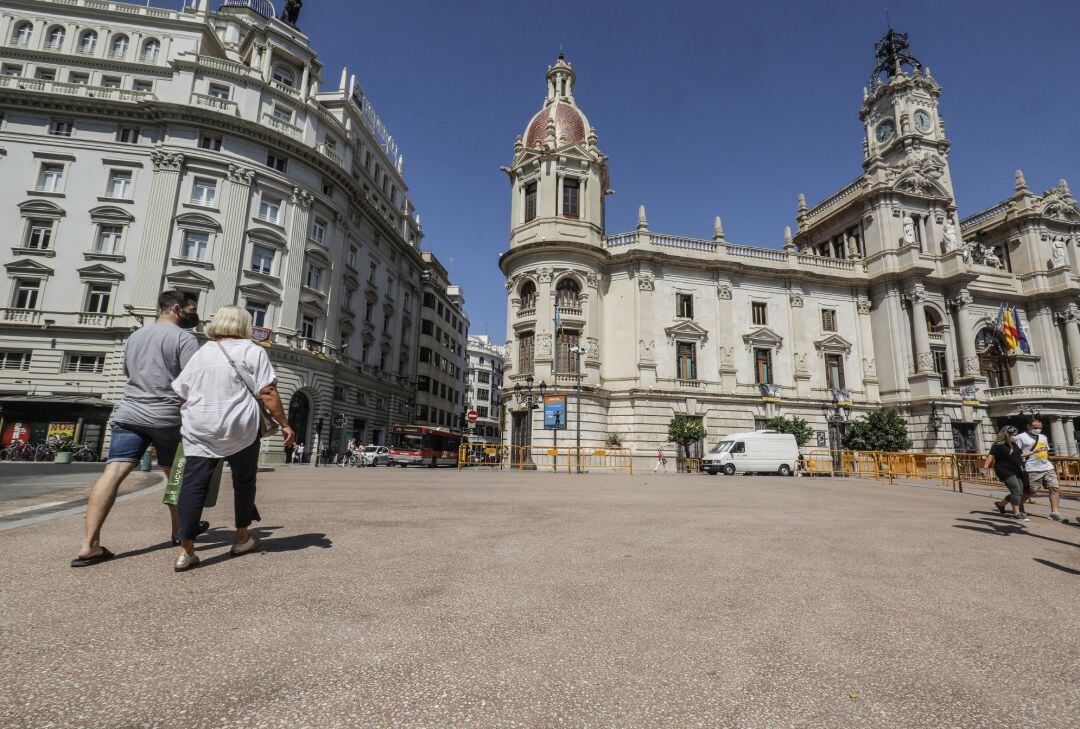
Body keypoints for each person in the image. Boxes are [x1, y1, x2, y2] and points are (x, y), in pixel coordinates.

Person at [71, 291, 206, 567]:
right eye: (192, 309)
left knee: (113, 472)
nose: (195, 315)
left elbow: (128, 372)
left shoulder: (136, 336)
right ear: (178, 309)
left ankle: (89, 544)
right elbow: (192, 383)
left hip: (129, 412)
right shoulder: (185, 339)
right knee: (175, 475)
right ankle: (179, 533)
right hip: (168, 418)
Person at [171, 306, 294, 572]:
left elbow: (181, 393)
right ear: (245, 326)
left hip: (200, 427)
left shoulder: (202, 353)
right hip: (240, 426)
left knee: (193, 486)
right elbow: (268, 391)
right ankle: (241, 537)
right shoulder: (253, 350)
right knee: (244, 481)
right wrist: (284, 424)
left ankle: (186, 550)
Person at [1014, 419, 1069, 523]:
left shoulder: (1043, 437)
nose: (1038, 430)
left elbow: (1046, 451)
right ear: (1028, 426)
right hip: (1032, 468)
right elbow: (1017, 455)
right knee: (1031, 491)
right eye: (1035, 427)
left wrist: (1049, 461)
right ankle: (1018, 505)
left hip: (1047, 467)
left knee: (1055, 488)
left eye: (1040, 428)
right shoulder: (1020, 437)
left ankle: (1055, 513)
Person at [984, 425, 1028, 522]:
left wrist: (1036, 451)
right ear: (1007, 434)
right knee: (1016, 490)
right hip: (1003, 469)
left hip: (1015, 469)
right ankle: (1016, 513)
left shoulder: (1014, 444)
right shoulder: (998, 444)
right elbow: (990, 456)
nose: (1015, 437)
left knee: (1018, 492)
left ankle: (1000, 505)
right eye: (1013, 435)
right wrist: (986, 468)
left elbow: (1021, 454)